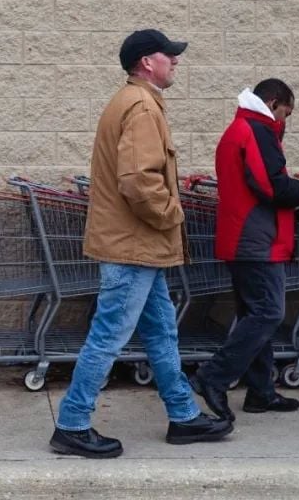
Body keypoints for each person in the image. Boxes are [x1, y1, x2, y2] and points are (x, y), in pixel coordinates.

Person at [49, 29, 233, 459]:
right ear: (147, 62)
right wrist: (174, 214)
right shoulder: (141, 106)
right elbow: (138, 181)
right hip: (133, 246)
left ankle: (184, 415)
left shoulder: (131, 101)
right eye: (170, 55)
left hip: (137, 247)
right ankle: (73, 424)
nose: (176, 61)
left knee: (162, 332)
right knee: (109, 336)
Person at [189, 79, 299, 422]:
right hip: (256, 239)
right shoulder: (256, 129)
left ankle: (261, 392)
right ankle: (212, 376)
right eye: (286, 113)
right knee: (268, 312)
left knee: (255, 314)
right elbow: (270, 185)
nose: (285, 122)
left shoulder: (241, 128)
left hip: (244, 236)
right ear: (274, 102)